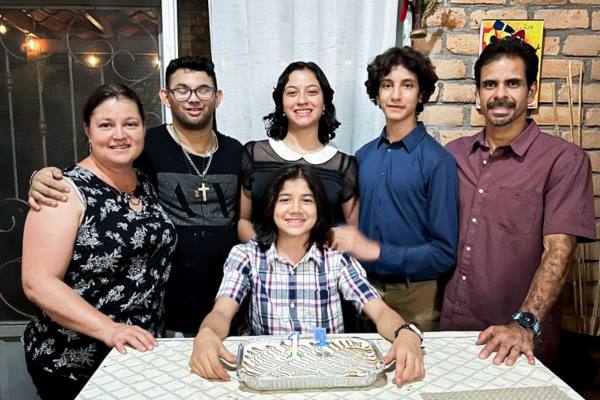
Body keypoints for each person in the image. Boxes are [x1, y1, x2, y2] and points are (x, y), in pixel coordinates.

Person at [28, 57, 244, 337]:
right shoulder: (146, 148)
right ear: (165, 97)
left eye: (203, 90)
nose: (193, 98)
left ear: (217, 97)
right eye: (181, 90)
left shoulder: (236, 152)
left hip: (219, 303)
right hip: (163, 315)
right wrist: (40, 177)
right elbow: (93, 174)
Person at [189, 164, 425, 386]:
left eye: (307, 200)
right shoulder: (247, 255)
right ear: (271, 206)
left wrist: (404, 333)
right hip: (269, 372)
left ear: (319, 208)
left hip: (330, 373)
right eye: (285, 200)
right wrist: (207, 334)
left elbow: (380, 310)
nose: (295, 209)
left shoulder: (336, 257)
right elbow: (221, 311)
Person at [439, 37, 595, 367]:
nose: (500, 94)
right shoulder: (453, 156)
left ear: (532, 91)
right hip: (449, 332)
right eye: (490, 84)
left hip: (517, 343)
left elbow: (559, 251)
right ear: (478, 95)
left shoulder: (563, 161)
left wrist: (525, 322)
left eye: (513, 83)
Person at [21, 83, 177, 400]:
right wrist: (110, 329)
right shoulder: (63, 191)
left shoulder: (143, 182)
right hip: (74, 363)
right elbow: (37, 282)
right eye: (106, 125)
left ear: (144, 129)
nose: (119, 134)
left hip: (136, 357)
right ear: (88, 132)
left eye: (130, 124)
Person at [331, 47, 458, 332]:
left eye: (407, 85)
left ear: (422, 94)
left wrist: (376, 251)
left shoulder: (439, 162)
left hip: (417, 296)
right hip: (364, 292)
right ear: (377, 95)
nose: (396, 95)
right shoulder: (362, 157)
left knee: (414, 373)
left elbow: (443, 253)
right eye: (387, 85)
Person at [238, 61, 359, 241]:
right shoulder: (255, 154)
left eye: (312, 92)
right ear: (282, 103)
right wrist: (266, 258)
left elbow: (352, 231)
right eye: (292, 93)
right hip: (262, 266)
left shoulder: (344, 166)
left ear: (324, 102)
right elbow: (243, 220)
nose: (302, 100)